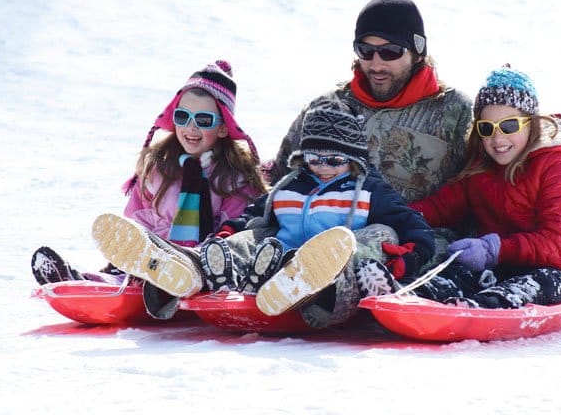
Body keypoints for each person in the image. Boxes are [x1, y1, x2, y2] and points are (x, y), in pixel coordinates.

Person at [92, 107, 435, 324]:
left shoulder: (370, 189)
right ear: (303, 157)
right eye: (316, 159)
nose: (324, 168)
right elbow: (253, 214)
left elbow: (414, 226)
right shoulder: (289, 186)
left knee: (372, 235)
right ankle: (188, 269)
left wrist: (411, 254)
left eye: (335, 161)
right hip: (277, 262)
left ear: (354, 160)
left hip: (333, 271)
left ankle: (307, 283)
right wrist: (229, 234)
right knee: (252, 236)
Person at [31, 60, 268, 294]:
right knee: (128, 276)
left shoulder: (234, 177)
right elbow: (136, 222)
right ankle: (83, 283)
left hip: (203, 268)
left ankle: (166, 280)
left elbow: (237, 232)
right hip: (152, 264)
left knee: (175, 273)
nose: (191, 128)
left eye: (203, 120)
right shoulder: (159, 168)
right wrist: (131, 249)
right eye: (182, 117)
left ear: (224, 127)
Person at [407, 65, 561, 308]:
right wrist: (402, 216)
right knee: (457, 274)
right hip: (500, 266)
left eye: (509, 126)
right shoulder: (482, 168)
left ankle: (483, 306)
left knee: (531, 284)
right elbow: (442, 206)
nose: (498, 138)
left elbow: (555, 243)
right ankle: (415, 296)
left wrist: (493, 249)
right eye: (487, 128)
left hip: (557, 271)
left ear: (531, 124)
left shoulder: (556, 168)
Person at [267, 0, 473, 205]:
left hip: (418, 232)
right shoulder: (328, 106)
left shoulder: (455, 111)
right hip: (324, 228)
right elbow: (280, 180)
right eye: (365, 50)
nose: (376, 65)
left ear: (418, 52)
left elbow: (478, 190)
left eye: (390, 52)